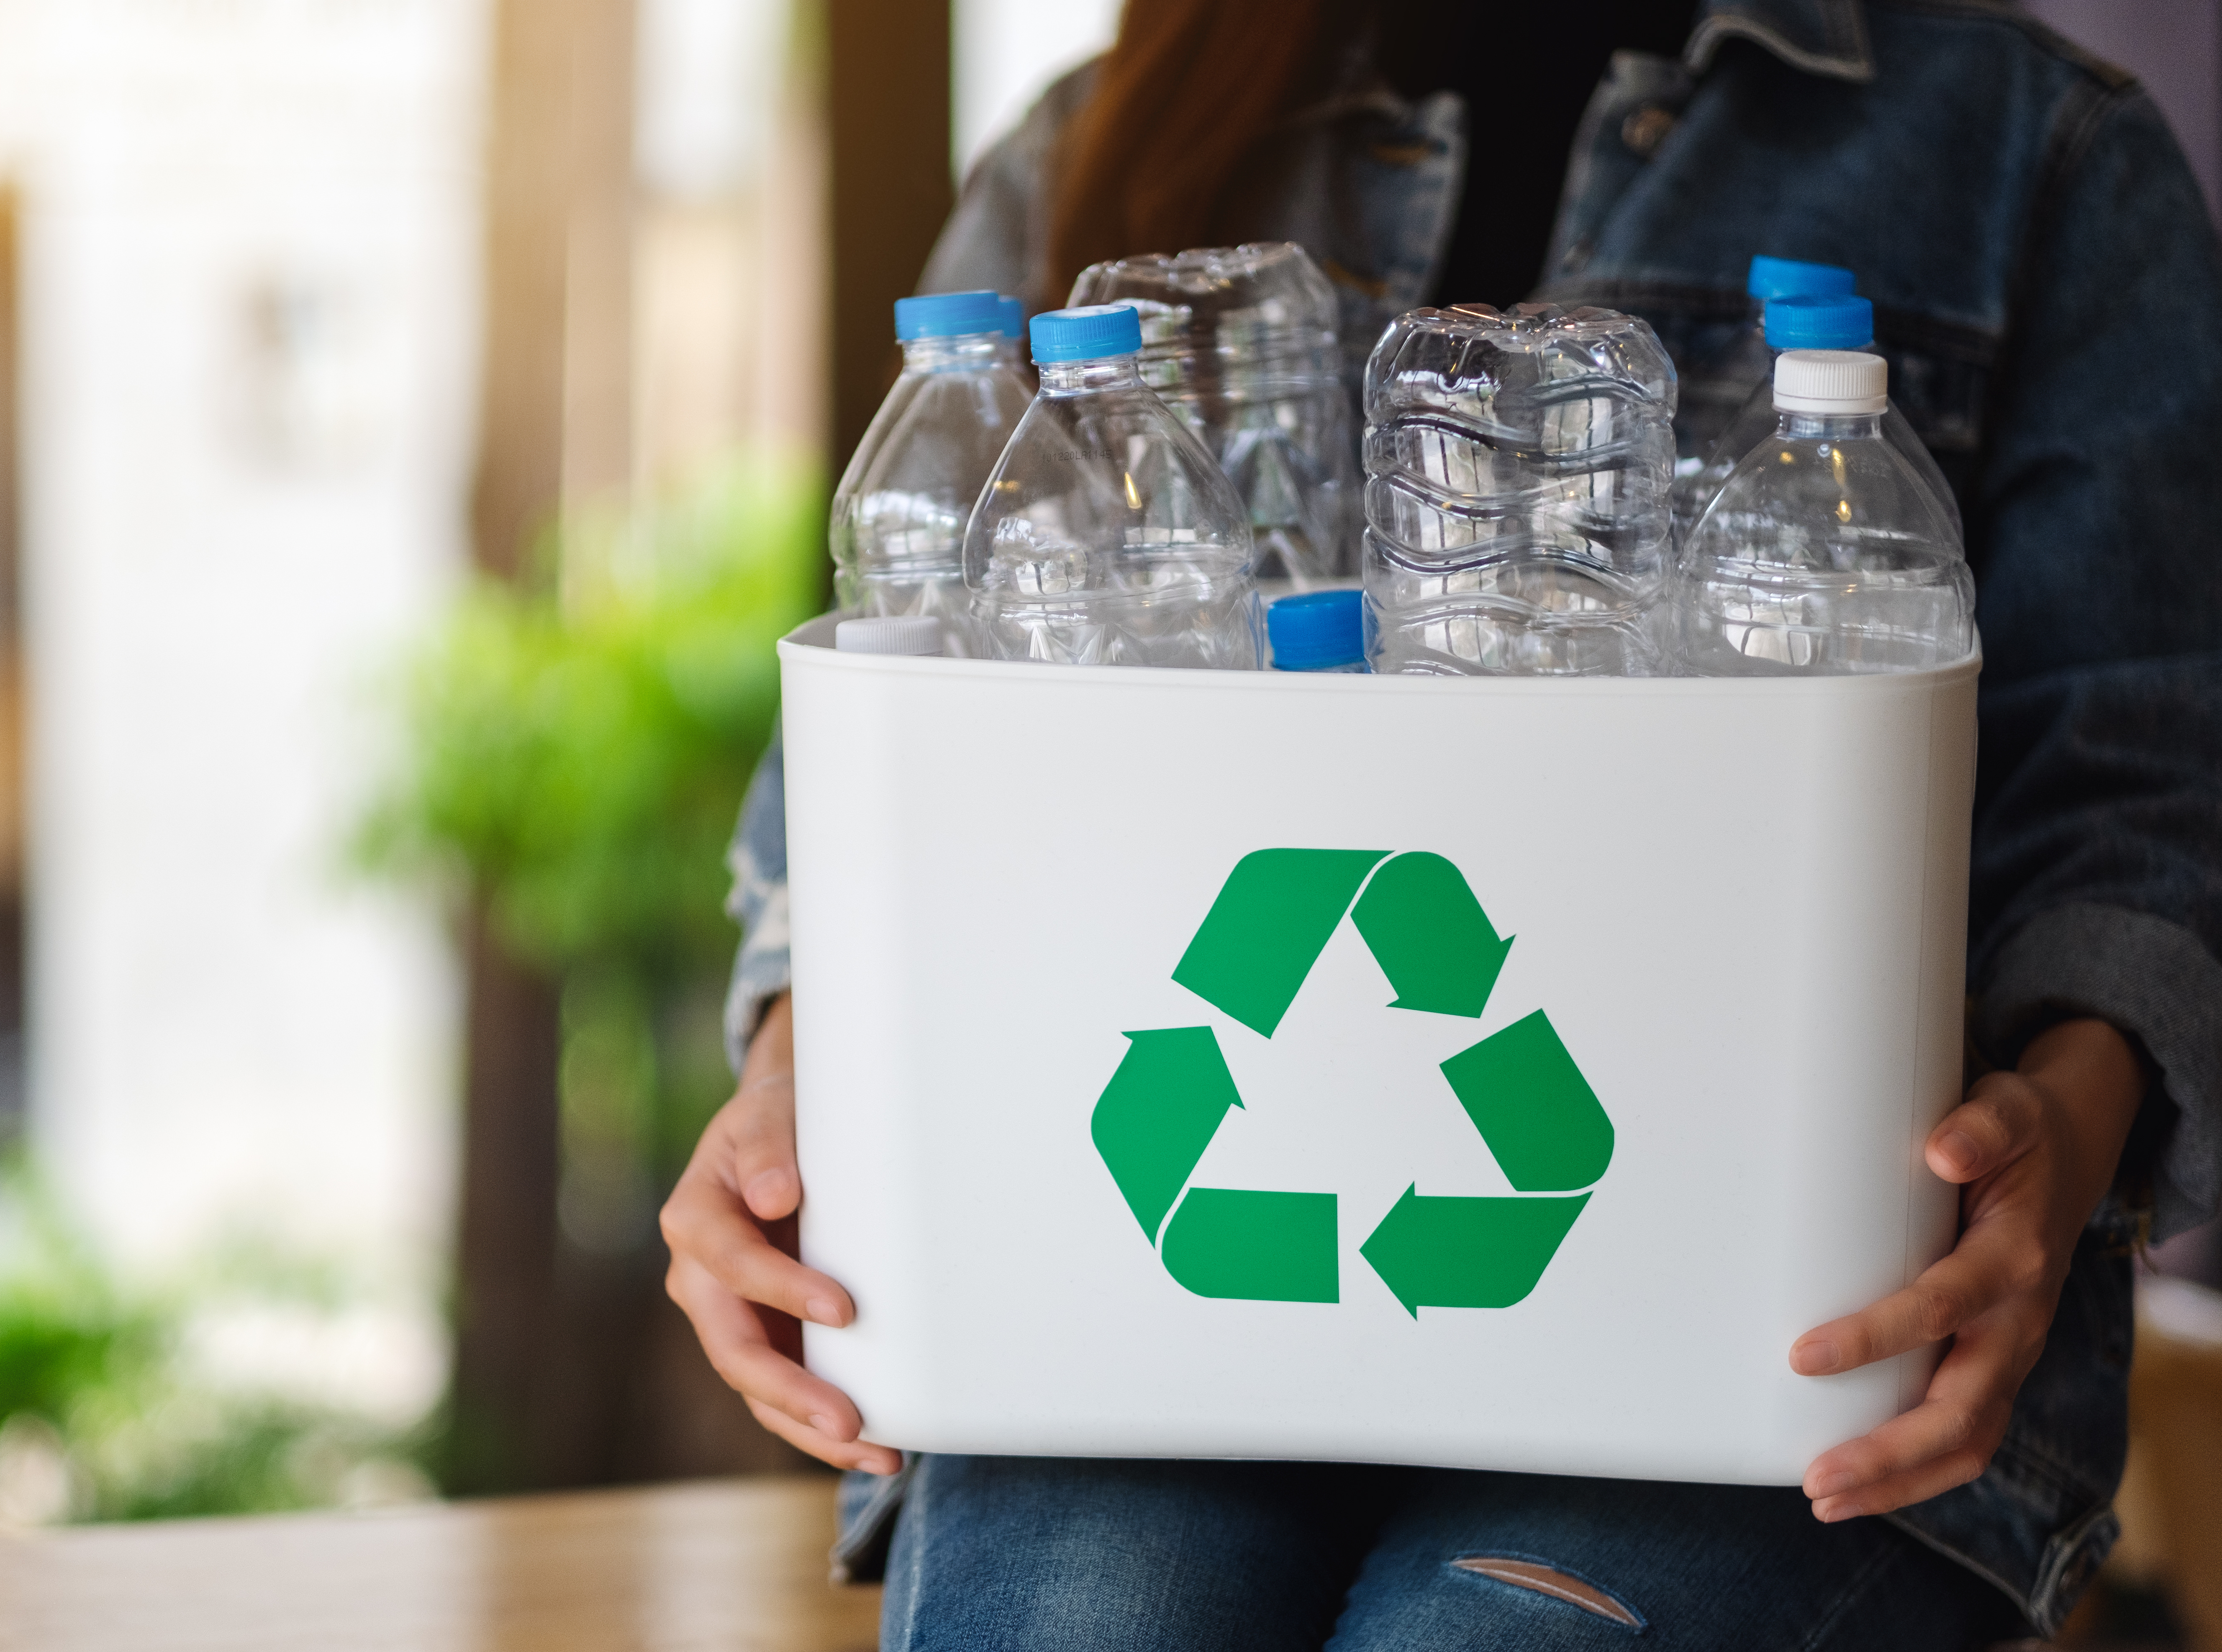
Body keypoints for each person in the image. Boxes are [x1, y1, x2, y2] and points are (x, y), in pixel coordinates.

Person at [662, 0, 2222, 1644]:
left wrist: (2059, 1130)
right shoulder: (1102, 130)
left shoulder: (2024, 148)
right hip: (1121, 1323)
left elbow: (2141, 789)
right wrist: (790, 1091)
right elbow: (888, 777)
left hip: (1755, 1337)